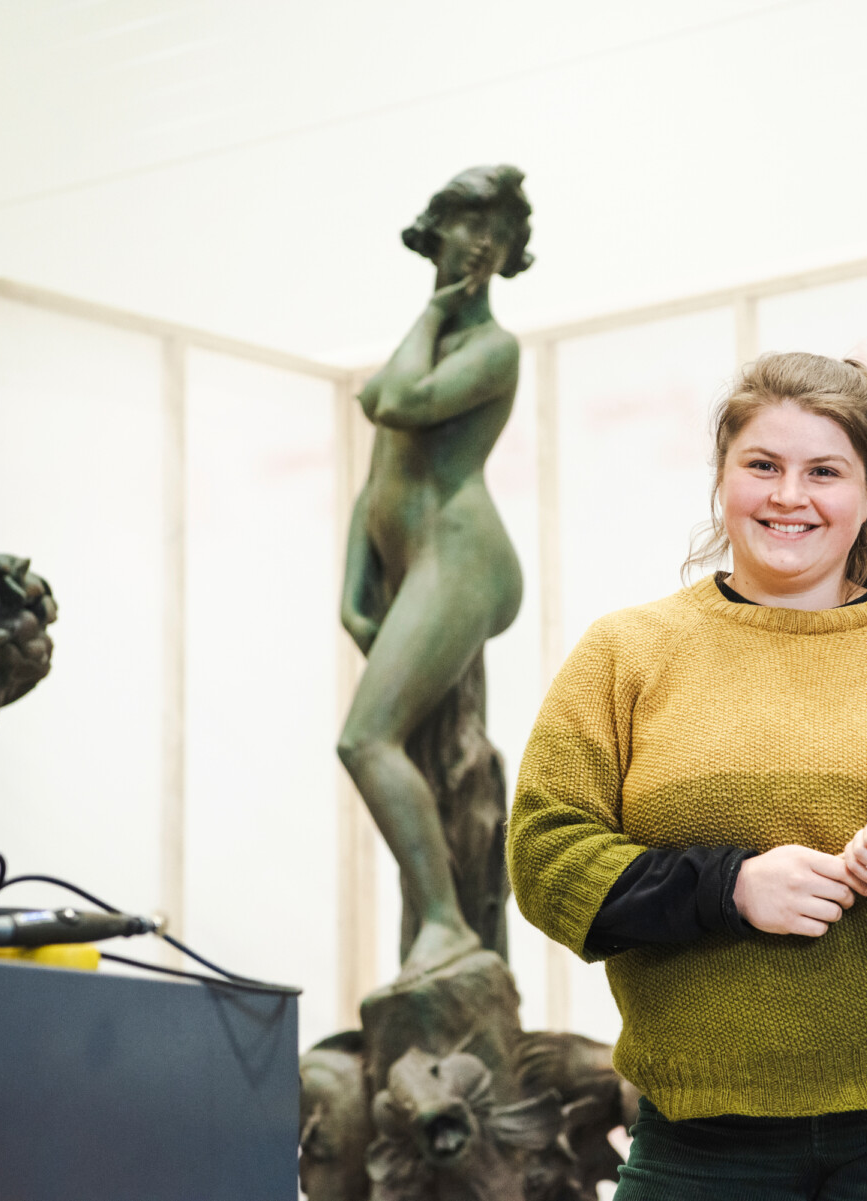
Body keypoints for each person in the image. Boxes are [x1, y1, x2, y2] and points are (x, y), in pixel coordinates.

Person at [507, 352, 867, 1200]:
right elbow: (545, 853)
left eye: (824, 471)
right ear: (723, 479)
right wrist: (730, 887)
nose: (789, 496)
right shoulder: (625, 654)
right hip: (700, 1131)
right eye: (763, 465)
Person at [339, 165, 531, 980]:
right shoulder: (429, 339)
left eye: (501, 231)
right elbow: (381, 463)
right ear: (435, 230)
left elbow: (400, 403)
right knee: (410, 746)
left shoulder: (492, 346)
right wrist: (354, 582)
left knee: (366, 737)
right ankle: (437, 922)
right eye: (468, 223)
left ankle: (448, 925)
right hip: (413, 559)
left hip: (464, 556)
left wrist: (432, 309)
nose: (483, 242)